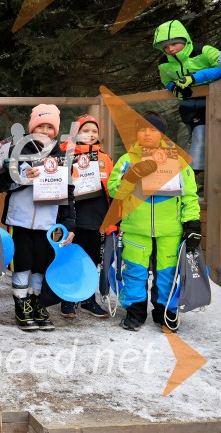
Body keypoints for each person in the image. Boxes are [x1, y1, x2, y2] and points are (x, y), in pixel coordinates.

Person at [107, 111, 200, 333]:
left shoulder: (177, 160)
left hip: (169, 229)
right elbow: (113, 190)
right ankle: (134, 312)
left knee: (167, 272)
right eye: (142, 129)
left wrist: (192, 222)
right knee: (134, 271)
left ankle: (165, 312)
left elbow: (189, 195)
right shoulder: (127, 160)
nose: (147, 133)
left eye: (153, 129)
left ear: (162, 134)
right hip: (136, 228)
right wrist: (130, 178)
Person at [2, 104, 76, 332]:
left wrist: (69, 223)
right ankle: (21, 303)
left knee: (40, 266)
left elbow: (69, 192)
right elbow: (1, 181)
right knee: (22, 263)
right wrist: (23, 176)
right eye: (40, 126)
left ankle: (36, 303)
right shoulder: (17, 149)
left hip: (47, 223)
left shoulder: (62, 156)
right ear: (31, 127)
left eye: (49, 127)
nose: (44, 131)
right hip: (20, 220)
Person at [153, 19, 220, 191]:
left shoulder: (204, 51)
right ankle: (194, 181)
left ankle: (191, 178)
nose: (170, 49)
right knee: (189, 138)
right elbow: (167, 81)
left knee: (200, 137)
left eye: (174, 44)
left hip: (212, 106)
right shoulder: (164, 63)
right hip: (187, 108)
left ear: (185, 40)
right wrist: (173, 88)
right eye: (165, 47)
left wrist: (195, 78)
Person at [58, 114, 113, 320]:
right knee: (71, 258)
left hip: (98, 218)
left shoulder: (105, 158)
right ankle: (68, 299)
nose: (90, 134)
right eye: (85, 130)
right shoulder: (65, 155)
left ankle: (89, 298)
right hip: (75, 218)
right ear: (76, 132)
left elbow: (112, 189)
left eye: (94, 131)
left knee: (93, 260)